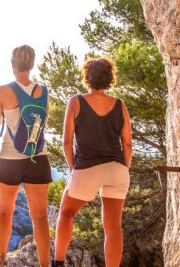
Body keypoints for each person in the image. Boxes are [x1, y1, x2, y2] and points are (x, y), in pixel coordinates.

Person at [52, 58, 132, 267]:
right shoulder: (120, 105)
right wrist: (124, 168)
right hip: (117, 169)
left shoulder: (76, 102)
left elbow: (67, 141)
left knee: (66, 213)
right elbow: (127, 143)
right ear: (109, 78)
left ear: (87, 77)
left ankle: (58, 263)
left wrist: (73, 169)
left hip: (87, 168)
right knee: (113, 227)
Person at [0, 45, 52, 267]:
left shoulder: (3, 90)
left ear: (13, 64)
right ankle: (45, 264)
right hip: (38, 157)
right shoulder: (43, 91)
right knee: (40, 216)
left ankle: (1, 259)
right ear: (32, 64)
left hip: (9, 158)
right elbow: (44, 122)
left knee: (5, 211)